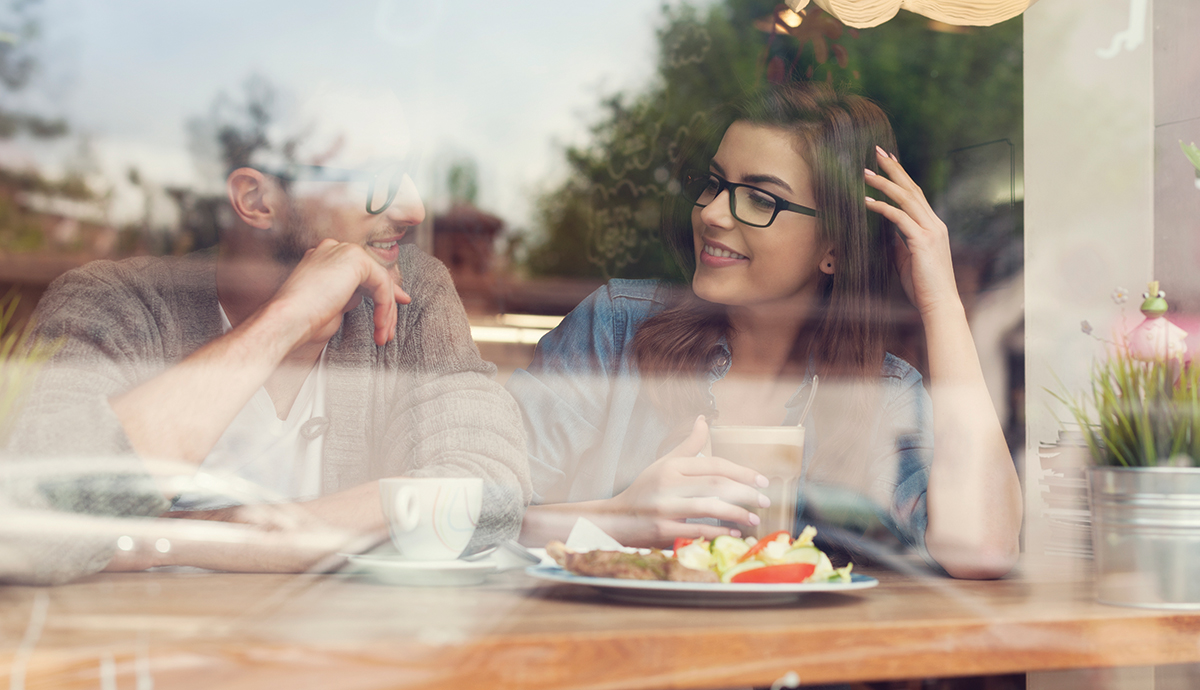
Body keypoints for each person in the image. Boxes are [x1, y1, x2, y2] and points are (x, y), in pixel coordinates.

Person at [1, 89, 530, 584]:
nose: (413, 209)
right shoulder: (115, 303)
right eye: (377, 179)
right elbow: (29, 522)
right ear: (257, 199)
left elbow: (490, 491)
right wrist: (284, 321)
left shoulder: (411, 295)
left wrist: (160, 537)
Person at [507, 82, 1021, 579]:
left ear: (835, 249)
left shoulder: (881, 394)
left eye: (759, 198)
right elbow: (483, 515)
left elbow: (982, 549)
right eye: (714, 184)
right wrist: (620, 519)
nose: (711, 213)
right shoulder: (616, 327)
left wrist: (943, 306)